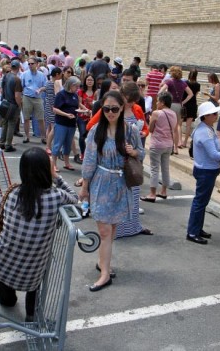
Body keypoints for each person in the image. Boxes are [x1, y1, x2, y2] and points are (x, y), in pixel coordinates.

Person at [0, 147, 78, 322]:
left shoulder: (12, 194)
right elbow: (74, 197)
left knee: (7, 301)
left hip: (0, 262)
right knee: (37, 275)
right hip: (33, 269)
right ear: (46, 171)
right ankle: (32, 315)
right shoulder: (56, 196)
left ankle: (7, 299)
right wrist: (57, 177)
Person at [79, 91, 144, 291]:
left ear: (122, 108)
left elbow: (141, 153)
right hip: (101, 183)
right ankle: (105, 273)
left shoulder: (130, 130)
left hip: (121, 184)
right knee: (105, 231)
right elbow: (89, 160)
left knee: (112, 229)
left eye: (114, 109)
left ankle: (102, 262)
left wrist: (134, 152)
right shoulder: (96, 130)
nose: (110, 113)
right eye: (106, 109)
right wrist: (85, 186)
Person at [187, 101, 220, 245]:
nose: (216, 115)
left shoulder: (205, 129)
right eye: (213, 114)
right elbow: (214, 154)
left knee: (202, 202)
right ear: (205, 116)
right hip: (206, 170)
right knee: (200, 202)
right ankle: (192, 231)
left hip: (206, 169)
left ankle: (197, 228)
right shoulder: (205, 132)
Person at [140, 92, 176, 203]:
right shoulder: (173, 113)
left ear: (163, 102)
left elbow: (151, 129)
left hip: (157, 144)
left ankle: (152, 193)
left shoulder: (156, 113)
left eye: (158, 101)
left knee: (154, 168)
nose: (157, 103)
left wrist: (151, 120)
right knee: (165, 168)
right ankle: (164, 191)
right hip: (169, 144)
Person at [51, 76, 85, 172]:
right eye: (76, 86)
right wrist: (66, 114)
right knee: (58, 144)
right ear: (72, 85)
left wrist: (85, 110)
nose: (77, 89)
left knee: (68, 144)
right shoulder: (61, 95)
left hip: (72, 123)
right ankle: (53, 164)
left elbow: (78, 105)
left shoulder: (74, 95)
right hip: (61, 123)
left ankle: (67, 163)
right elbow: (55, 109)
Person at [159, 66, 193, 154]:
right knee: (176, 127)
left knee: (168, 126)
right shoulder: (183, 83)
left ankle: (168, 146)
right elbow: (191, 94)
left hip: (170, 105)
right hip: (179, 106)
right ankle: (176, 148)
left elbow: (160, 91)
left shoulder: (169, 82)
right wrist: (183, 101)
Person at [21, 56, 48, 144]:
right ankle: (27, 136)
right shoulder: (24, 74)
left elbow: (45, 86)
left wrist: (40, 89)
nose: (30, 65)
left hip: (37, 98)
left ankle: (43, 137)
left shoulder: (41, 75)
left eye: (32, 64)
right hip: (27, 97)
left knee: (41, 118)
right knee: (26, 118)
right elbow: (21, 86)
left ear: (37, 64)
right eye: (29, 64)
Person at [0, 60, 22, 152]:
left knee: (5, 123)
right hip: (13, 104)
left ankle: (2, 142)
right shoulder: (17, 79)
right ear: (18, 67)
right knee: (11, 124)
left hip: (5, 102)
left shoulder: (6, 76)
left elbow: (2, 89)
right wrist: (19, 105)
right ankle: (8, 145)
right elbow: (17, 95)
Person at [44, 67, 62, 153]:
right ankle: (49, 146)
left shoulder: (48, 82)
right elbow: (53, 97)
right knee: (53, 127)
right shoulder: (54, 84)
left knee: (49, 127)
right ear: (57, 74)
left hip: (48, 106)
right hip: (52, 107)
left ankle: (48, 145)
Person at [181, 69, 200, 148]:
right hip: (193, 104)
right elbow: (195, 95)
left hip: (185, 103)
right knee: (189, 125)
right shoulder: (198, 84)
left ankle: (179, 141)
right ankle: (185, 142)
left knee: (180, 123)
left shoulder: (185, 83)